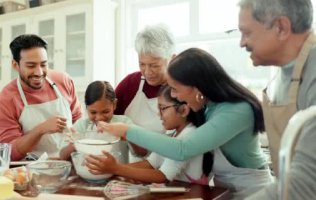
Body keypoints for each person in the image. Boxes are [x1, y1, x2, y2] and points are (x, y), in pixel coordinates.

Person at [96, 48, 273, 197]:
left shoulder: (236, 110)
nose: (174, 96)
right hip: (223, 190)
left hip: (254, 193)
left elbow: (181, 149)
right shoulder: (207, 107)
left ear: (196, 86)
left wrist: (127, 130)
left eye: (175, 89)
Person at [238, 0, 316, 199]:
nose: (242, 43)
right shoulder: (282, 76)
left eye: (247, 33)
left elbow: (303, 184)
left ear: (281, 28)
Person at [86, 85, 213, 184]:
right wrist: (111, 170)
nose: (159, 114)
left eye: (162, 108)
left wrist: (116, 169)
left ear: (183, 110)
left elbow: (162, 176)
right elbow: (150, 164)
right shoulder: (173, 133)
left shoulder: (188, 136)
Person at [0, 34, 82, 161]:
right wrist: (41, 129)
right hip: (31, 170)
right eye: (31, 66)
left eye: (43, 64)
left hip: (70, 163)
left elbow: (79, 121)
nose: (39, 72)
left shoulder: (63, 81)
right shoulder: (5, 101)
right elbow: (9, 153)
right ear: (15, 65)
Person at [114, 24, 175, 161]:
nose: (147, 72)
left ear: (172, 58)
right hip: (132, 167)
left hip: (171, 167)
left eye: (154, 65)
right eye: (142, 64)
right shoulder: (130, 83)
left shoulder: (181, 90)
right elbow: (108, 118)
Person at [59, 80, 133, 162]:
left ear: (114, 104)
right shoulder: (82, 126)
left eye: (105, 111)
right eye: (93, 112)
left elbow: (141, 153)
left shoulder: (124, 122)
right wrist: (74, 143)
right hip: (87, 173)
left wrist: (128, 136)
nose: (99, 118)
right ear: (86, 107)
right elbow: (62, 156)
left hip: (119, 173)